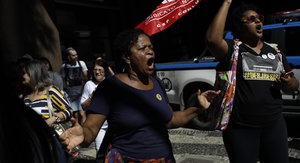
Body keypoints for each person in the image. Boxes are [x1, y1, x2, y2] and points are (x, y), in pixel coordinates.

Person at [60, 29, 220, 162]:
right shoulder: (110, 87)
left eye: (151, 47)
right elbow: (90, 129)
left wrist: (197, 108)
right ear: (127, 57)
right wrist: (82, 135)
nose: (150, 51)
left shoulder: (156, 83)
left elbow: (169, 119)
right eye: (143, 49)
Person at [205, 0, 299, 163]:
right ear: (240, 26)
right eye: (251, 19)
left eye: (260, 18)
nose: (259, 22)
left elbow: (294, 83)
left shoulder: (275, 51)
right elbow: (212, 40)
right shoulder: (233, 49)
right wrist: (226, 3)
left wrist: (289, 83)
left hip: (274, 126)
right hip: (241, 129)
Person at [22, 59, 74, 162]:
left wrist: (52, 119)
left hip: (52, 142)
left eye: (25, 73)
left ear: (34, 74)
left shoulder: (51, 91)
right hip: (34, 143)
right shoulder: (25, 98)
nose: (22, 76)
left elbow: (69, 111)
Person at [80, 59, 109, 152]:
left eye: (100, 70)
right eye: (95, 70)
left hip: (112, 124)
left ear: (105, 71)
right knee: (100, 150)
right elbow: (83, 106)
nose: (97, 72)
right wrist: (92, 96)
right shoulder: (89, 84)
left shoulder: (111, 83)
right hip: (98, 126)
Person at [60, 47, 88, 125]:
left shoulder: (81, 63)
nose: (76, 56)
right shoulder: (64, 66)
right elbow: (62, 79)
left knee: (82, 114)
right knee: (75, 115)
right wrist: (66, 87)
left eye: (76, 55)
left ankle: (85, 130)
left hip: (81, 92)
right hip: (71, 94)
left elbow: (86, 77)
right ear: (68, 57)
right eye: (73, 55)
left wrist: (81, 78)